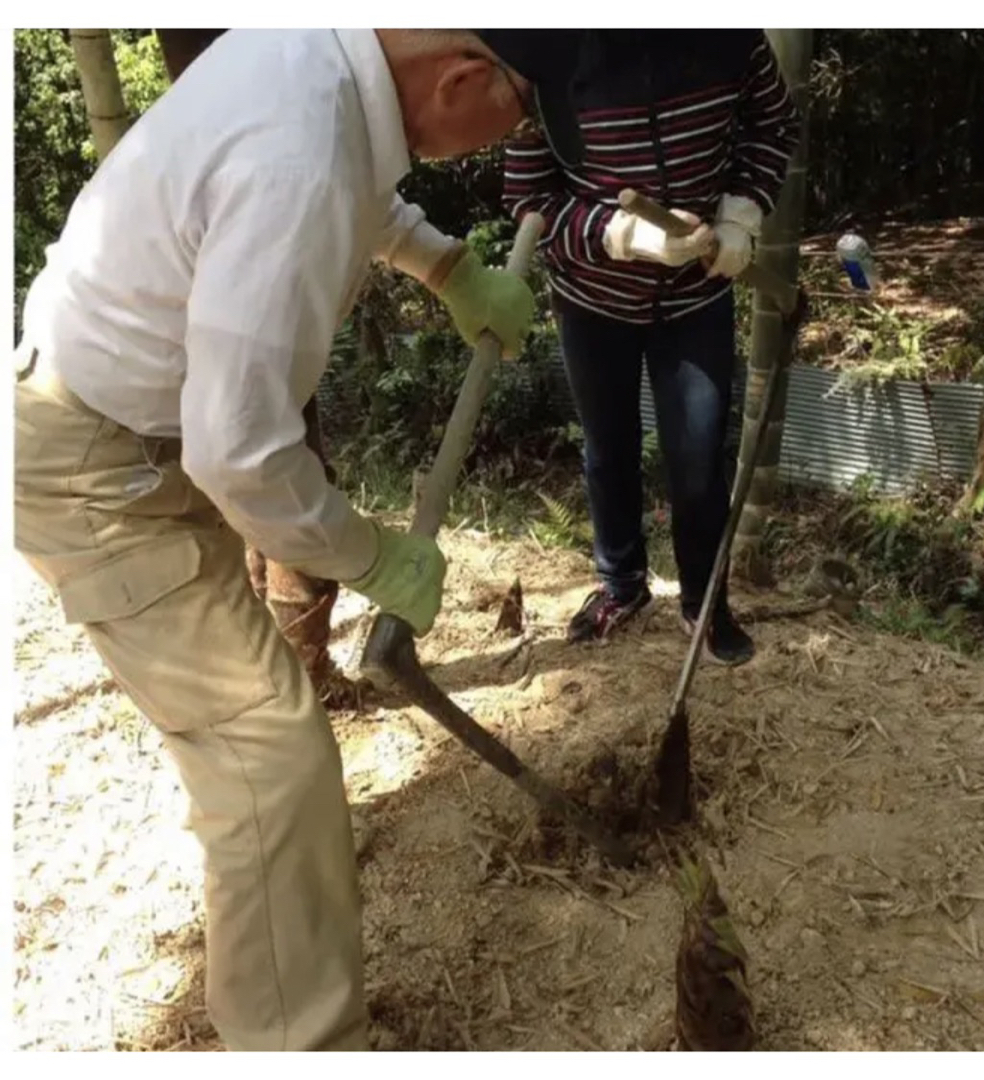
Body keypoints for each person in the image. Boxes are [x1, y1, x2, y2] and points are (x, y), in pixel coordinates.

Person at [13, 28, 587, 1051]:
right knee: (268, 762)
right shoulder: (298, 147)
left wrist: (448, 266)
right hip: (95, 469)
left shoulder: (318, 58)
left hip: (133, 432)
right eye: (523, 108)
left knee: (259, 753)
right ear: (463, 75)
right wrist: (368, 556)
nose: (515, 138)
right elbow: (238, 453)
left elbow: (358, 191)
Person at [503, 29, 799, 665]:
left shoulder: (730, 36)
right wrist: (615, 233)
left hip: (698, 292)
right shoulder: (546, 54)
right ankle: (621, 586)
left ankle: (705, 602)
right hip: (591, 297)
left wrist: (742, 213)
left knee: (697, 456)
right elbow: (529, 200)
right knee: (608, 446)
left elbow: (772, 124)